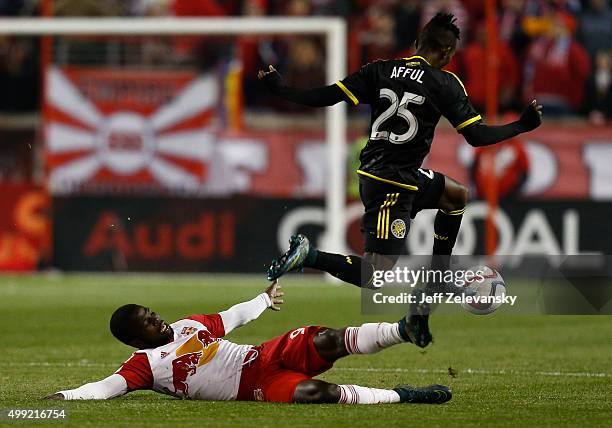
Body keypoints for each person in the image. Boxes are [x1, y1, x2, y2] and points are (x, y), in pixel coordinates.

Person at [258, 13, 543, 343]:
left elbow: (326, 96)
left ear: (417, 44)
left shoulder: (379, 69)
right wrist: (521, 125)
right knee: (375, 274)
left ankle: (432, 285)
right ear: (449, 55)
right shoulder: (445, 82)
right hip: (390, 185)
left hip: (395, 174)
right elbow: (476, 136)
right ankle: (310, 255)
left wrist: (281, 89)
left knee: (455, 195)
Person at [44, 281, 451, 405]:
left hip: (263, 355)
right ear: (136, 339)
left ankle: (404, 329)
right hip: (254, 388)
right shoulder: (143, 366)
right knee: (314, 394)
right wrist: (64, 396)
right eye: (147, 323)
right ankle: (404, 396)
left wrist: (262, 300)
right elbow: (103, 388)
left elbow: (231, 317)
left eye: (150, 312)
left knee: (326, 339)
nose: (156, 318)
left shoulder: (189, 325)